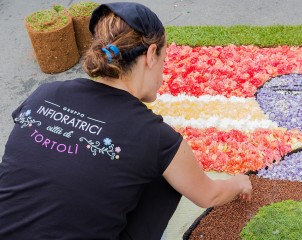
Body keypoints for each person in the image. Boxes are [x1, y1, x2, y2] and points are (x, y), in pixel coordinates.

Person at [0, 2, 252, 240]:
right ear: (151, 54)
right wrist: (238, 182)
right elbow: (209, 195)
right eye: (164, 61)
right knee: (166, 177)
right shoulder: (155, 136)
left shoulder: (45, 94)